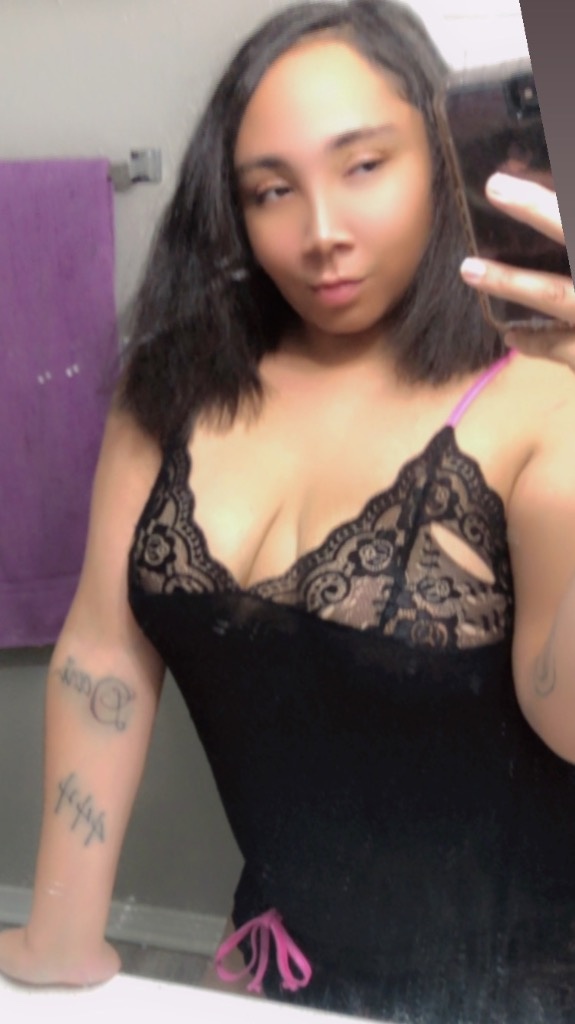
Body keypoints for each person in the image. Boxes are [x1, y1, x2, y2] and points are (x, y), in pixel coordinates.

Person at [2, 1, 575, 1020]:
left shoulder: (540, 394)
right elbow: (103, 653)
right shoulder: (173, 385)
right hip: (276, 972)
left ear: (444, 157)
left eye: (364, 166)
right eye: (272, 190)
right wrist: (61, 929)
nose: (320, 234)